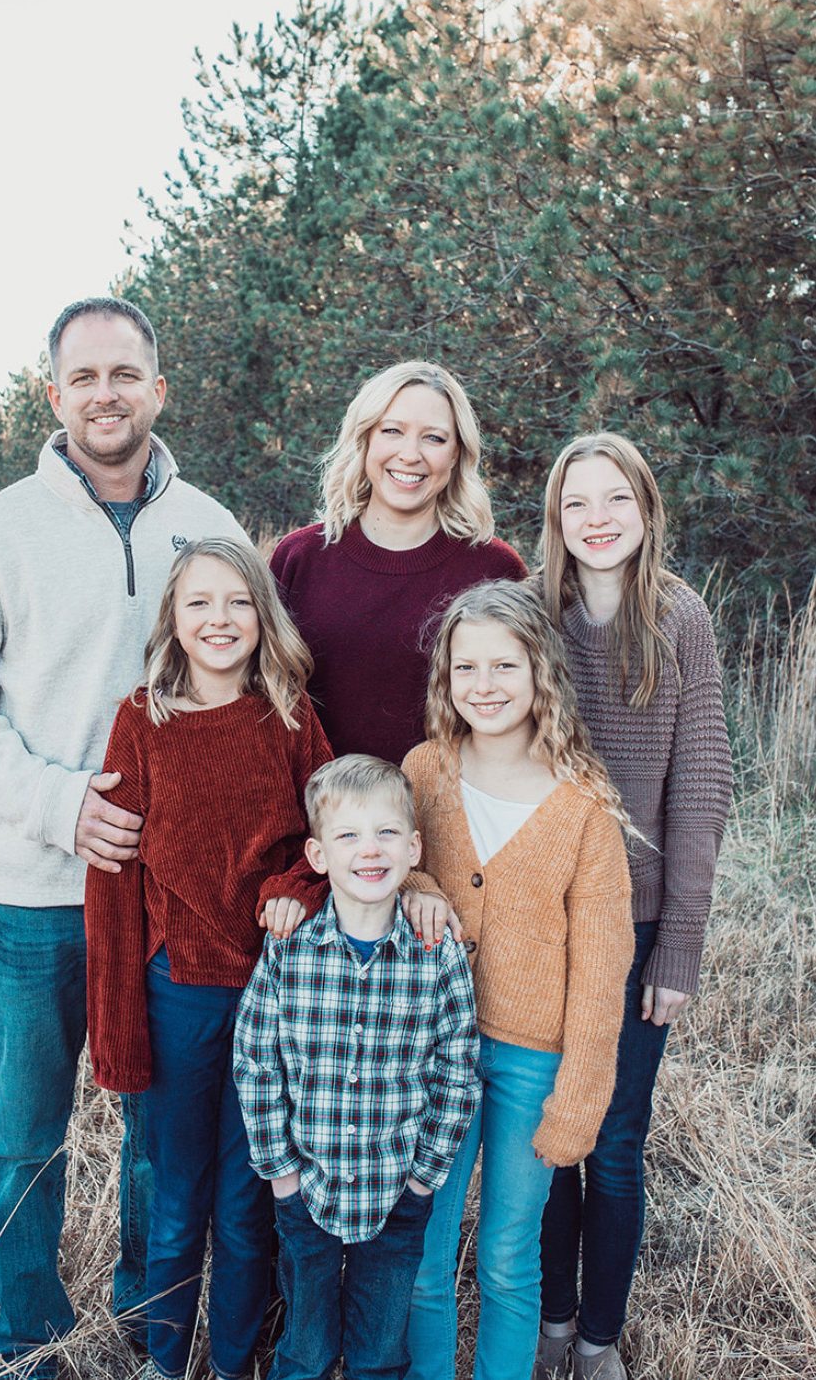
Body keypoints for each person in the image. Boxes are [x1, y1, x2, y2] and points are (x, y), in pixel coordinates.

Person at [0, 298, 246, 1380]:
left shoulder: (211, 526)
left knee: (161, 1131)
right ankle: (26, 1341)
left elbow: (253, 693)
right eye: (85, 376)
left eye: (126, 373)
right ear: (53, 395)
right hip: (33, 889)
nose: (107, 393)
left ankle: (148, 1324)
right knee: (26, 1132)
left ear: (159, 389)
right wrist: (61, 806)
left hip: (170, 897)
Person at [85, 537, 334, 1380]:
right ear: (173, 619)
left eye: (237, 602)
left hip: (269, 996)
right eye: (198, 603)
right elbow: (113, 881)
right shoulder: (142, 720)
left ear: (263, 616)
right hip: (177, 994)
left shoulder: (290, 717)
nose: (218, 619)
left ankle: (230, 1362)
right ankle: (165, 1359)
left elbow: (331, 837)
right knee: (175, 1197)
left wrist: (298, 886)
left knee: (244, 1200)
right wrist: (118, 1027)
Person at [533, 433, 733, 1380]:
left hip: (640, 922)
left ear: (647, 509)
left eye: (616, 498)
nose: (597, 518)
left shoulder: (680, 617)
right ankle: (550, 1321)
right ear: (555, 519)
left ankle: (598, 1339)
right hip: (542, 921)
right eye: (577, 502)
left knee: (613, 1143)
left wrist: (677, 947)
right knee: (548, 1137)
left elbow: (699, 785)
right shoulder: (533, 613)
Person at [403, 579, 635, 1380]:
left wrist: (579, 1095)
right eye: (465, 667)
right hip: (434, 1050)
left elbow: (601, 969)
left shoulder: (582, 808)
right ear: (445, 678)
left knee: (507, 1255)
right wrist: (421, 887)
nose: (484, 685)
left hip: (531, 1060)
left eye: (504, 666)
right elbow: (393, 865)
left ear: (541, 672)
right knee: (426, 1254)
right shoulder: (424, 771)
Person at [233, 754, 480, 1380]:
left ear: (414, 848)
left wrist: (423, 1180)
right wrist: (281, 1175)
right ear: (318, 856)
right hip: (306, 1190)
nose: (369, 850)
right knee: (306, 1350)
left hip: (396, 1192)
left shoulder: (437, 956)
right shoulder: (290, 951)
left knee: (379, 1355)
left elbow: (456, 1072)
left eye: (387, 832)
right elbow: (256, 1062)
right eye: (348, 835)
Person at [270, 361, 526, 764]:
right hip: (316, 802)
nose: (410, 455)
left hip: (450, 800)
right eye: (392, 431)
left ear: (457, 454)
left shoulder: (495, 571)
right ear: (365, 439)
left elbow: (526, 710)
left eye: (434, 438)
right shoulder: (299, 558)